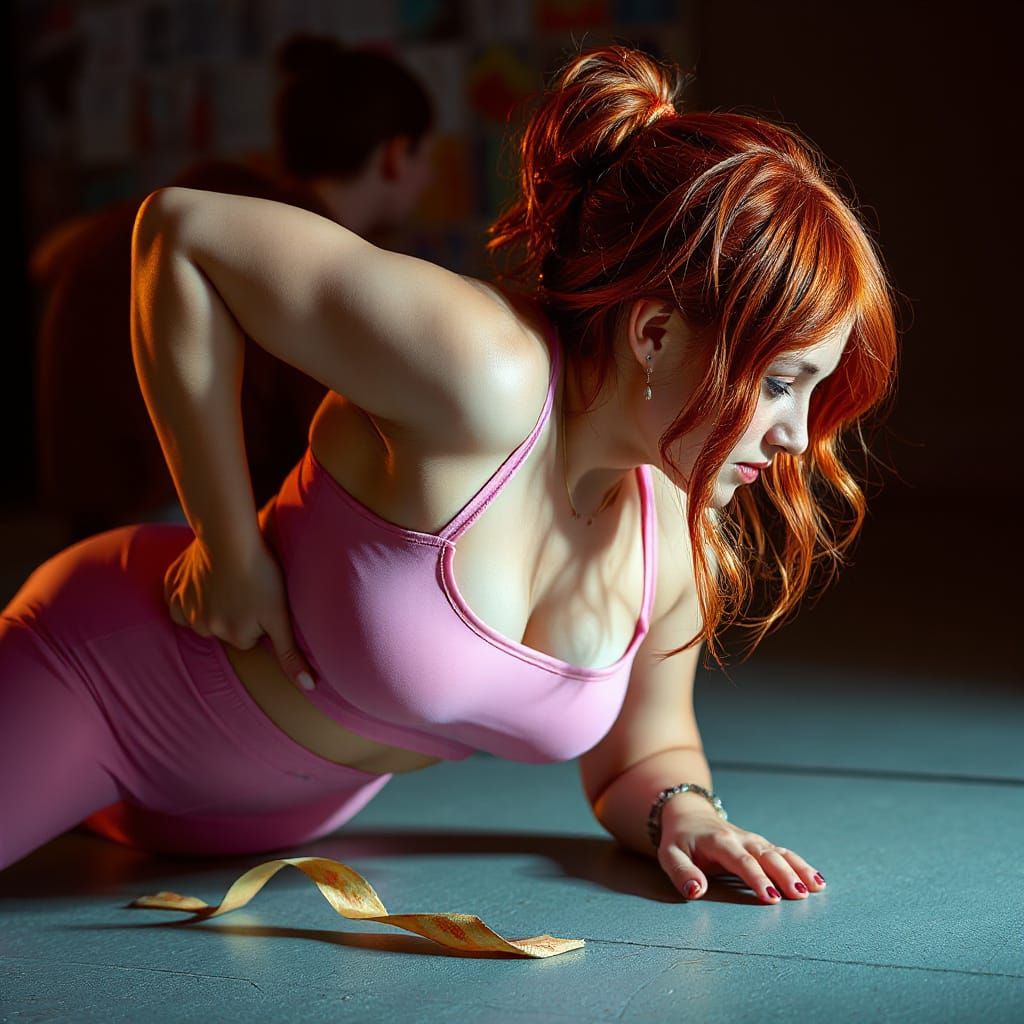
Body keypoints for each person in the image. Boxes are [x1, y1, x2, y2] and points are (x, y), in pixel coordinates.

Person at [1, 43, 898, 909]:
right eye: (780, 383)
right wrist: (230, 547)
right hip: (105, 690)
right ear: (655, 335)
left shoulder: (675, 532)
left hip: (251, 828)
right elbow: (183, 233)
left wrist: (686, 814)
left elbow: (642, 753)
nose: (794, 435)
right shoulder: (484, 373)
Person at [31, 33, 436, 542]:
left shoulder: (209, 198)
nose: (428, 179)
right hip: (170, 518)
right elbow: (330, 449)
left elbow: (47, 256)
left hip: (77, 511)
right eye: (427, 159)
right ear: (396, 156)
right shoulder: (304, 246)